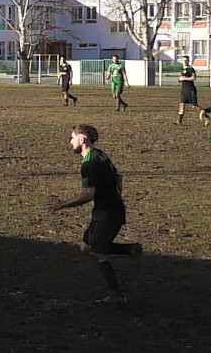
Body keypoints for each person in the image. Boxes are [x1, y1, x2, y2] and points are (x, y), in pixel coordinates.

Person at [46, 124, 144, 304]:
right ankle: (130, 249)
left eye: (72, 138)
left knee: (97, 251)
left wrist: (62, 205)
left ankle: (116, 295)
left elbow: (87, 194)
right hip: (106, 208)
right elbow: (118, 177)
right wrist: (115, 195)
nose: (70, 142)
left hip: (108, 213)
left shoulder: (89, 163)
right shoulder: (100, 154)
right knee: (85, 247)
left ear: (82, 139)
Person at [176, 57, 199, 123]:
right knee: (181, 105)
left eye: (186, 60)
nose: (185, 61)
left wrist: (184, 78)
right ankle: (179, 120)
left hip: (190, 90)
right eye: (183, 60)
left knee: (194, 106)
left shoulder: (191, 69)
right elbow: (182, 77)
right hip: (184, 90)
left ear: (188, 61)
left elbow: (194, 78)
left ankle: (206, 117)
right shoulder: (182, 69)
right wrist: (179, 80)